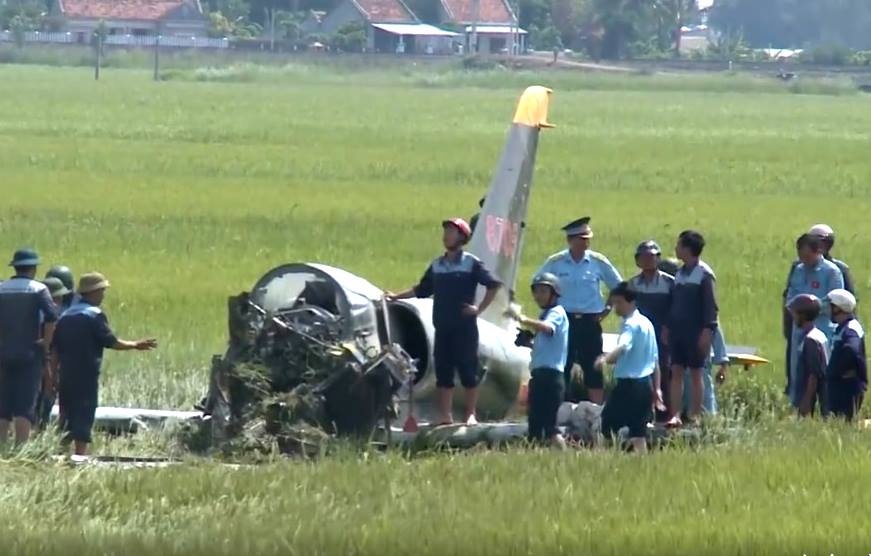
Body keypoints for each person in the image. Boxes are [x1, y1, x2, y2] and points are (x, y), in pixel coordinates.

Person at [386, 218, 502, 426]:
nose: (447, 236)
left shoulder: (471, 263)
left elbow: (493, 285)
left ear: (462, 237)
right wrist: (396, 297)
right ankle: (445, 415)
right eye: (446, 232)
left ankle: (470, 414)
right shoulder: (437, 265)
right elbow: (421, 290)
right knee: (443, 371)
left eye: (451, 232)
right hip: (442, 326)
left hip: (465, 328)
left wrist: (478, 309)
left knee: (468, 370)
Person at [51, 272, 157, 456]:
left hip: (65, 374)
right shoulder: (94, 315)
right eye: (101, 291)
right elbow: (111, 342)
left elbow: (55, 350)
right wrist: (135, 345)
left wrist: (52, 374)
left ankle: (62, 453)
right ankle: (80, 456)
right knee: (84, 414)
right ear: (93, 293)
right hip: (86, 374)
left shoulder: (65, 316)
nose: (103, 296)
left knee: (66, 414)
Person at [538, 217, 622, 404]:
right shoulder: (556, 262)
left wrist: (607, 308)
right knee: (563, 365)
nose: (586, 242)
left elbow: (618, 286)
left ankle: (596, 412)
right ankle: (562, 407)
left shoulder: (597, 261)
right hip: (564, 321)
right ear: (571, 240)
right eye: (582, 239)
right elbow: (539, 283)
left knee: (593, 368)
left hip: (590, 321)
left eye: (587, 238)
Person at [0, 248, 59, 446]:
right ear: (33, 268)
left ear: (15, 267)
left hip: (3, 353)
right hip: (29, 353)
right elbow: (52, 315)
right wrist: (46, 342)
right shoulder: (38, 289)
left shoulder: (2, 288)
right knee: (25, 403)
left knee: (4, 401)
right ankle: (20, 447)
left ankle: (1, 445)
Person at [594, 282, 662, 454]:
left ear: (630, 302)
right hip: (645, 384)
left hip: (628, 385)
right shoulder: (647, 323)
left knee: (607, 425)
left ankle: (603, 458)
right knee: (638, 431)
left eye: (618, 303)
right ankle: (642, 464)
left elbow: (623, 346)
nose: (615, 308)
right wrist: (657, 388)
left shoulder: (629, 324)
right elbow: (655, 361)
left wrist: (605, 358)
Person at [506, 273, 568, 448]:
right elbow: (547, 348)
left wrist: (523, 319)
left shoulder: (556, 313)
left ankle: (563, 457)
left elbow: (548, 328)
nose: (538, 295)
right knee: (535, 424)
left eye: (543, 291)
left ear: (554, 293)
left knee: (550, 427)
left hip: (551, 377)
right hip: (540, 375)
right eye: (536, 291)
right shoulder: (545, 314)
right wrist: (529, 343)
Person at [665, 230, 718, 427]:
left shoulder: (704, 274)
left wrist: (707, 331)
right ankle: (675, 414)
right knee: (676, 371)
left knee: (696, 373)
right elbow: (674, 303)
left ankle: (695, 415)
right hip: (678, 331)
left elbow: (711, 306)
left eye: (679, 245)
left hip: (696, 332)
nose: (676, 248)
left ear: (688, 248)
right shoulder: (679, 273)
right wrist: (668, 327)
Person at [784, 234, 844, 396]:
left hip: (822, 330)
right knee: (798, 371)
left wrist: (809, 308)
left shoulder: (832, 272)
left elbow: (835, 301)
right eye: (801, 256)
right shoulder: (798, 270)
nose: (804, 260)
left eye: (807, 256)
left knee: (819, 372)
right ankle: (797, 404)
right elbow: (790, 296)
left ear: (818, 251)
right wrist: (795, 309)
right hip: (799, 329)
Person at [628, 240, 673, 418]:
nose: (648, 261)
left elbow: (675, 309)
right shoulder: (632, 284)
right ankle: (641, 413)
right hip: (641, 334)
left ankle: (666, 413)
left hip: (663, 334)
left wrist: (668, 328)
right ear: (637, 261)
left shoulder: (670, 283)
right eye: (644, 257)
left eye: (652, 257)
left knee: (664, 370)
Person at [34, 276, 72, 430]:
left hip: (34, 365)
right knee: (43, 402)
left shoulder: (34, 315)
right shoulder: (53, 319)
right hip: (45, 364)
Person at [825, 289, 866, 421]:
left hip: (846, 388)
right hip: (841, 386)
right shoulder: (843, 327)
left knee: (843, 424)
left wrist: (836, 371)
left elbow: (851, 349)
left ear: (838, 308)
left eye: (831, 306)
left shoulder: (850, 329)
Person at [786, 294, 828, 417]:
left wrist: (806, 401)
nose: (793, 317)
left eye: (794, 314)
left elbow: (813, 374)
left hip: (812, 401)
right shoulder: (819, 335)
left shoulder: (810, 340)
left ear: (802, 315)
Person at [807, 224, 854, 296]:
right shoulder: (798, 267)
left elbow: (850, 297)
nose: (819, 246)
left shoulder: (840, 268)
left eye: (823, 243)